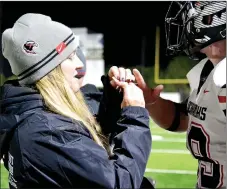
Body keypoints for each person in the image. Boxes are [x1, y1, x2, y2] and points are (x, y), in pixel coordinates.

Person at [0, 13, 152, 189]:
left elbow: (86, 139)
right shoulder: (44, 132)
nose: (80, 64)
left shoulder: (38, 116)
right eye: (70, 56)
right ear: (48, 69)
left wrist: (113, 97)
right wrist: (135, 115)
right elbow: (120, 182)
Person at [132, 1, 226, 189]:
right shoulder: (208, 70)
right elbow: (185, 118)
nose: (188, 20)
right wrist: (151, 102)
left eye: (199, 15)